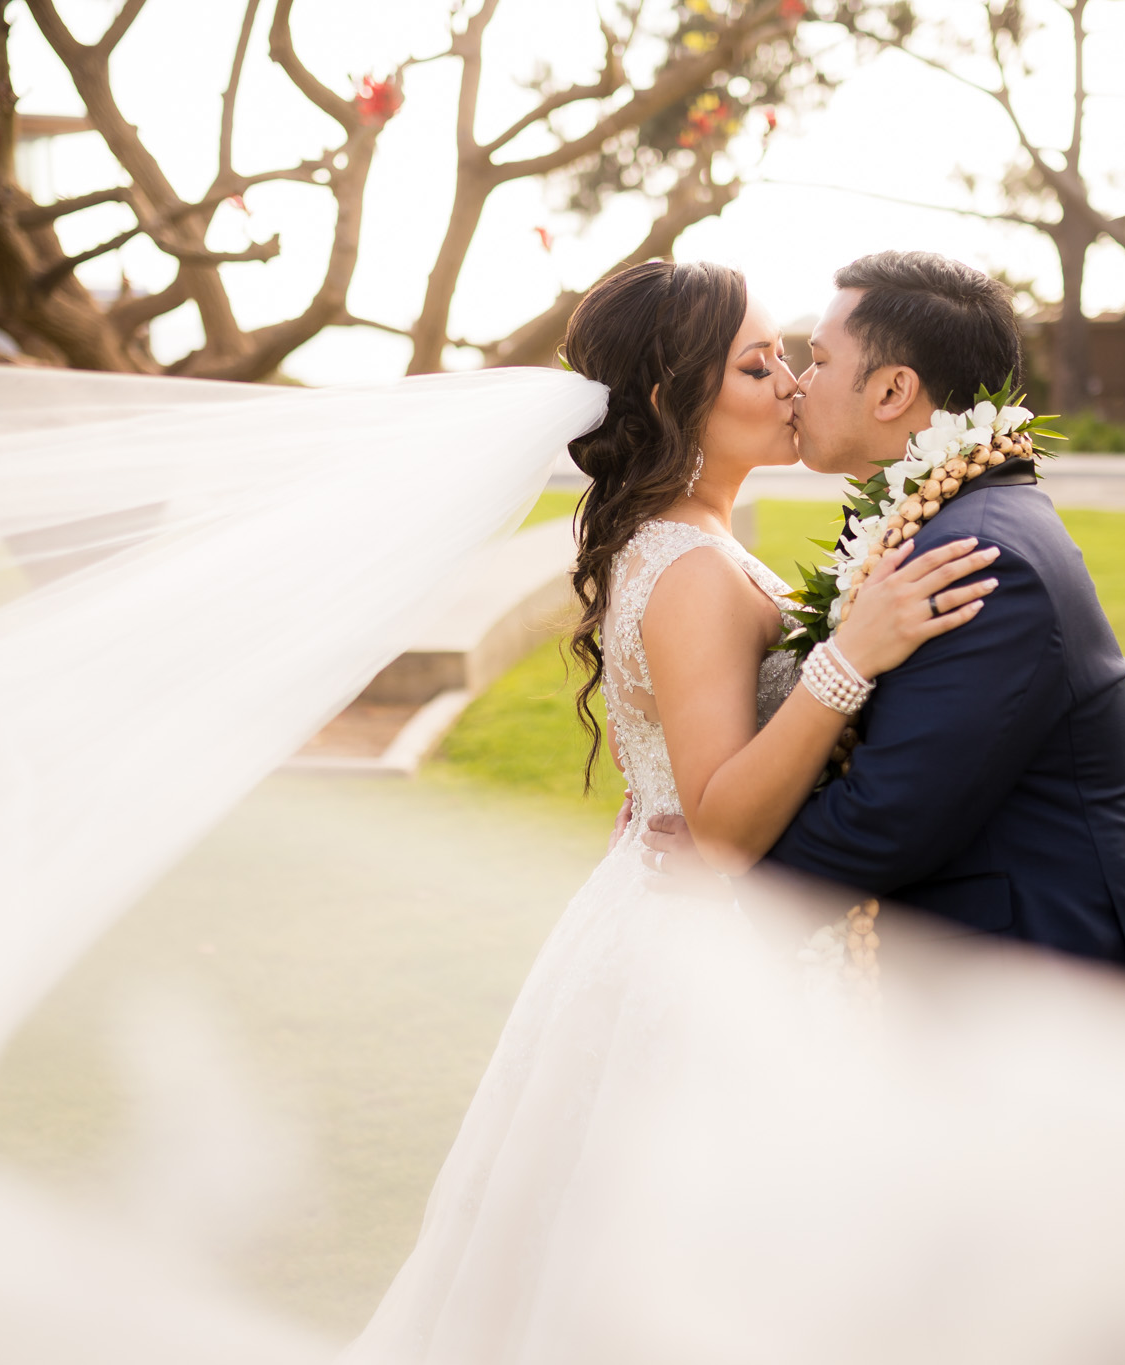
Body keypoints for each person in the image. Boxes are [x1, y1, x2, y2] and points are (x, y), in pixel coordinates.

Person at [342, 258, 1005, 1361]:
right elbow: (719, 828)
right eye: (757, 364)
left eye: (789, 356)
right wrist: (850, 653)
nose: (792, 381)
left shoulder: (690, 546)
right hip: (693, 963)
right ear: (667, 400)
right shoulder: (687, 567)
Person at [643, 251, 1125, 1000]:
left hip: (1049, 1003)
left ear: (895, 389)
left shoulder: (983, 557)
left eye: (819, 359)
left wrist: (727, 866)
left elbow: (882, 818)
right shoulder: (930, 526)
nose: (798, 383)